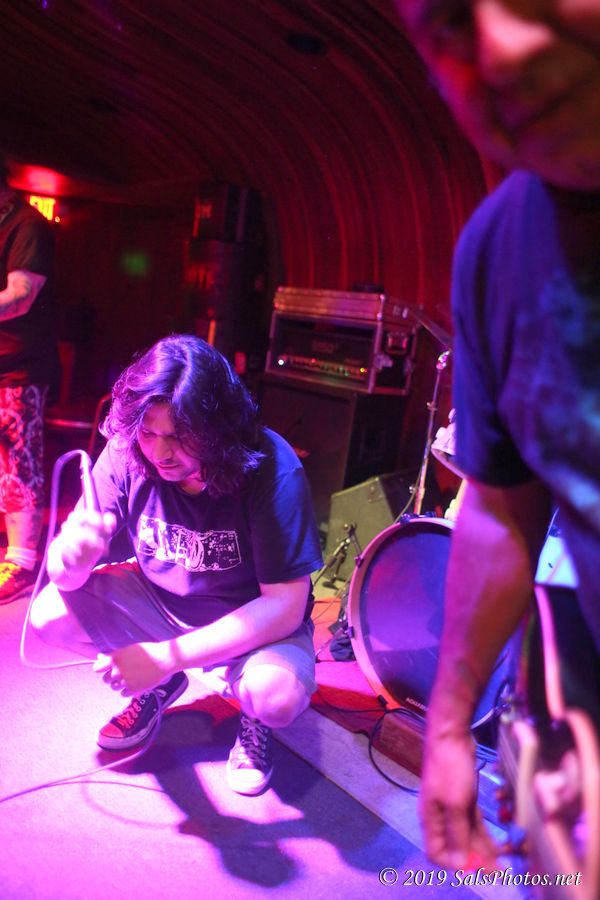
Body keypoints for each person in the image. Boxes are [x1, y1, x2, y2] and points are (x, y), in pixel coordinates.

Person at [394, 0, 600, 869]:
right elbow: (502, 505)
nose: (503, 50)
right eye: (450, 24)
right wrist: (448, 725)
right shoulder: (494, 249)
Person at [30, 334, 323, 795]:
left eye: (181, 436)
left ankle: (249, 716)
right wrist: (70, 559)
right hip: (159, 601)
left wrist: (167, 657)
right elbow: (64, 576)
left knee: (274, 698)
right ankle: (160, 686)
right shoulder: (127, 450)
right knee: (48, 614)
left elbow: (285, 607)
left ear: (217, 428)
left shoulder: (272, 467)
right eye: (149, 433)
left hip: (249, 622)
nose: (161, 452)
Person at [0, 155, 60, 604]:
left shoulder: (28, 225)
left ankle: (20, 561)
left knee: (17, 461)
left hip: (19, 367)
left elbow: (20, 296)